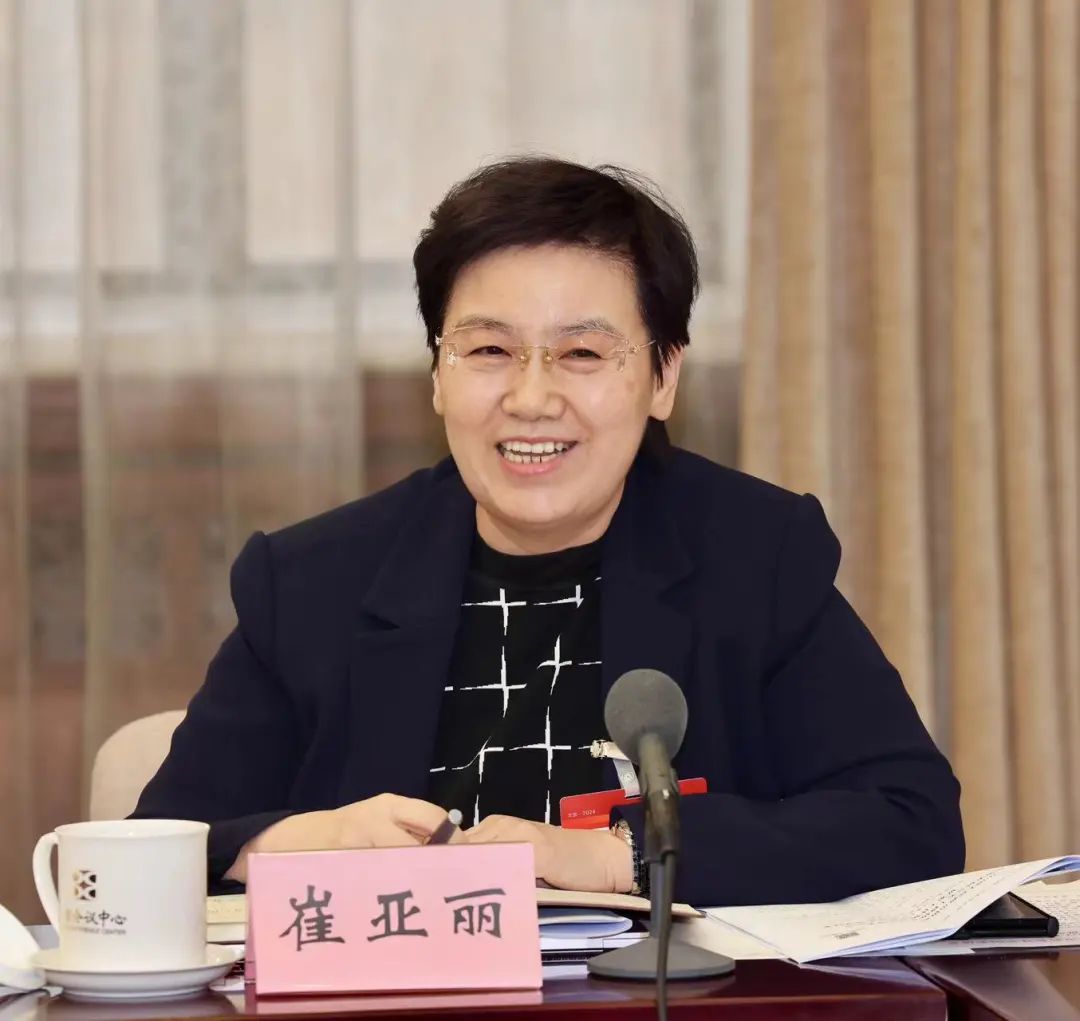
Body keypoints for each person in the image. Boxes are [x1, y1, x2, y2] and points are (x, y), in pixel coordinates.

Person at [133, 157, 964, 905]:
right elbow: (157, 848)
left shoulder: (754, 556)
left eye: (582, 355)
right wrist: (309, 840)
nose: (531, 399)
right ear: (437, 374)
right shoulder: (311, 583)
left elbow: (909, 822)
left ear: (663, 376)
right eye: (490, 350)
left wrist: (617, 856)